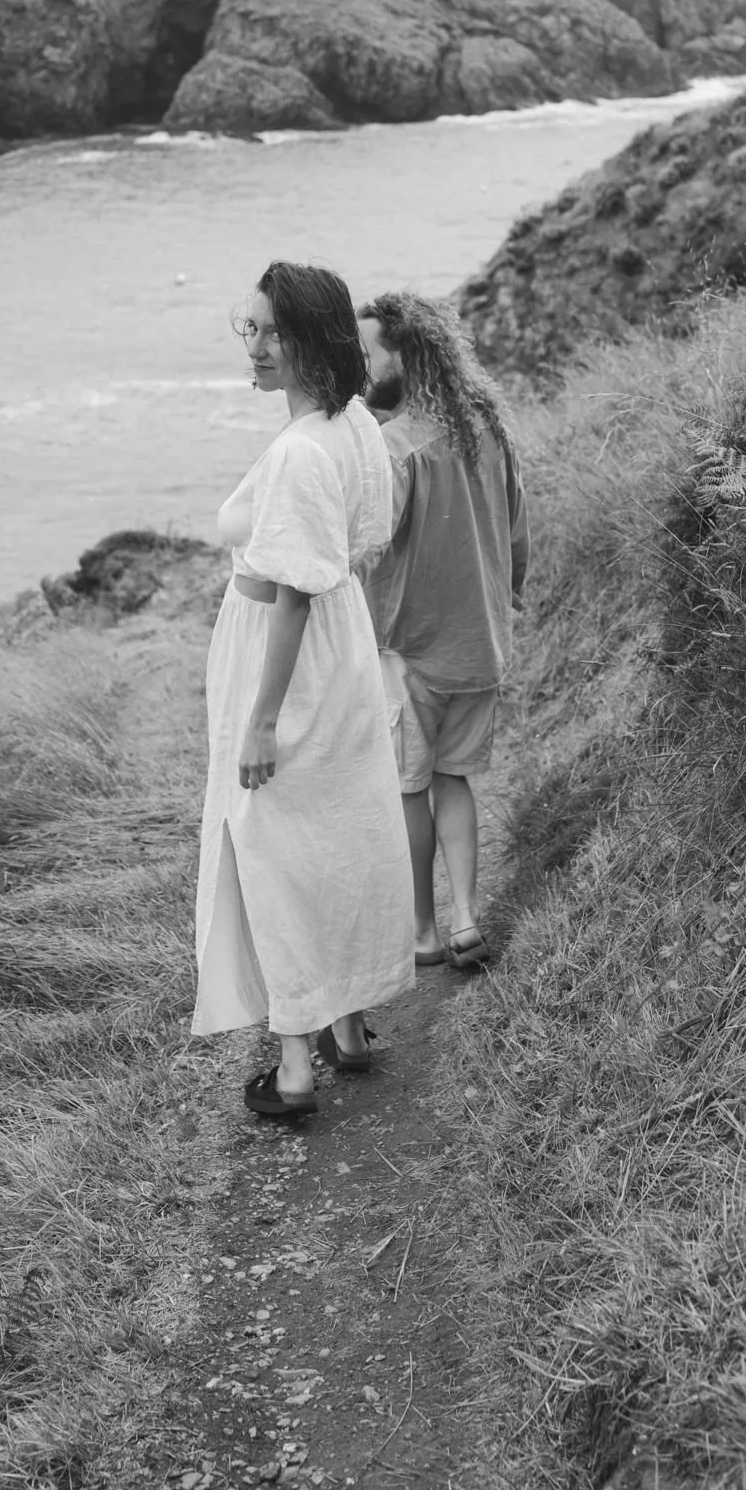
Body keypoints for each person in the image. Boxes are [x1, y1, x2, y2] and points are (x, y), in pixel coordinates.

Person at [192, 260, 415, 1117]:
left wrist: (260, 720)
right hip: (343, 648)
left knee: (272, 848)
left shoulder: (296, 451)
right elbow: (355, 551)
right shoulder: (355, 422)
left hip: (285, 654)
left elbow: (288, 596)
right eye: (246, 328)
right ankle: (348, 1029)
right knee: (336, 834)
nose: (253, 347)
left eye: (270, 333)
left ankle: (293, 1068)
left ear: (312, 340)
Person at [358, 291, 529, 971]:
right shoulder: (488, 428)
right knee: (455, 781)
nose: (361, 367)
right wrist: (507, 601)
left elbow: (367, 547)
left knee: (408, 788)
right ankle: (465, 918)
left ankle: (425, 931)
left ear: (405, 355)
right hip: (482, 642)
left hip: (410, 648)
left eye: (368, 353)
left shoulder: (394, 449)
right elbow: (518, 533)